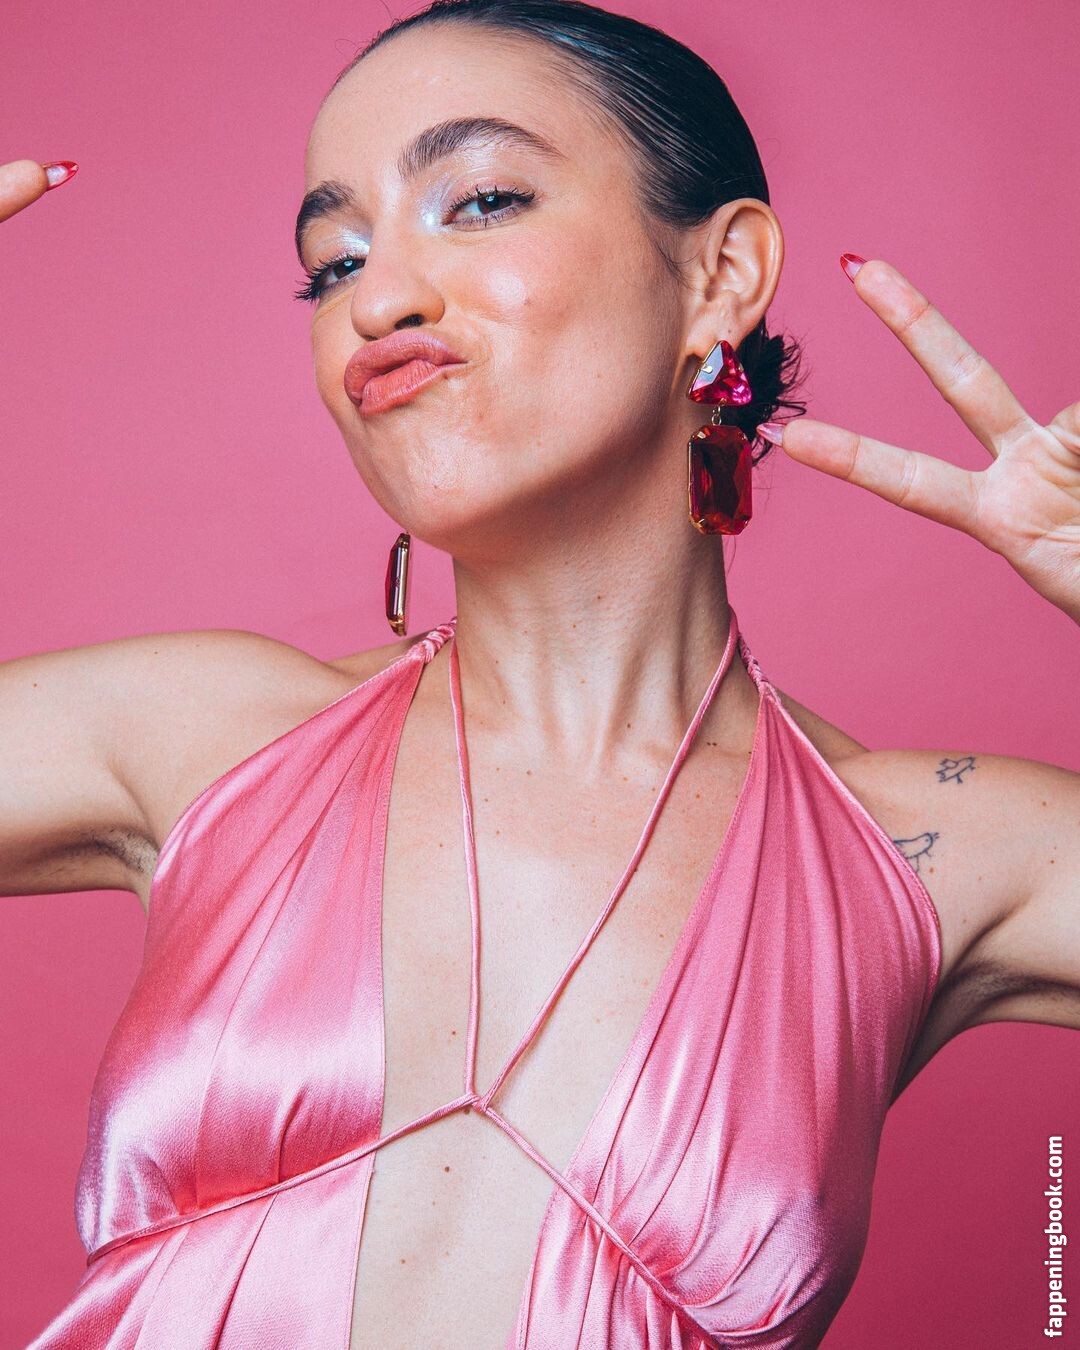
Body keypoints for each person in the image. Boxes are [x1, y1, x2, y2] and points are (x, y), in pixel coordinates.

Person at [4, 0, 1077, 1345]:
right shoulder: (198, 738)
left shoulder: (931, 855)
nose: (377, 300)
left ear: (722, 273)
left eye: (482, 200)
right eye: (334, 263)